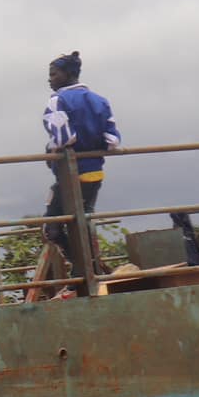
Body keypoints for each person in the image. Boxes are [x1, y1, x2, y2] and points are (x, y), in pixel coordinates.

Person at [40, 51, 119, 266]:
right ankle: (92, 267)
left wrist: (50, 150)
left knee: (52, 228)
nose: (50, 79)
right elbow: (112, 140)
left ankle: (83, 268)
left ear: (67, 74)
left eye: (53, 74)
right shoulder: (100, 100)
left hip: (70, 176)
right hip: (95, 174)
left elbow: (64, 138)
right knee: (83, 222)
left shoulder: (58, 100)